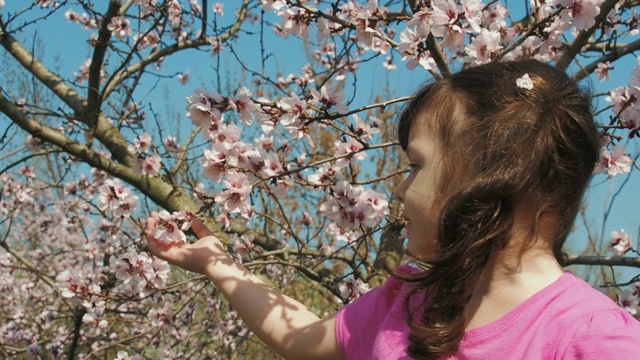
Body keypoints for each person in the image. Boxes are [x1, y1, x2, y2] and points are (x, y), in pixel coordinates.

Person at [146, 60, 640, 359]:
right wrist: (215, 261)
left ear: (491, 177)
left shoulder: (592, 339)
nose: (401, 191)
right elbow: (300, 338)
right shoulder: (412, 299)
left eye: (416, 165)